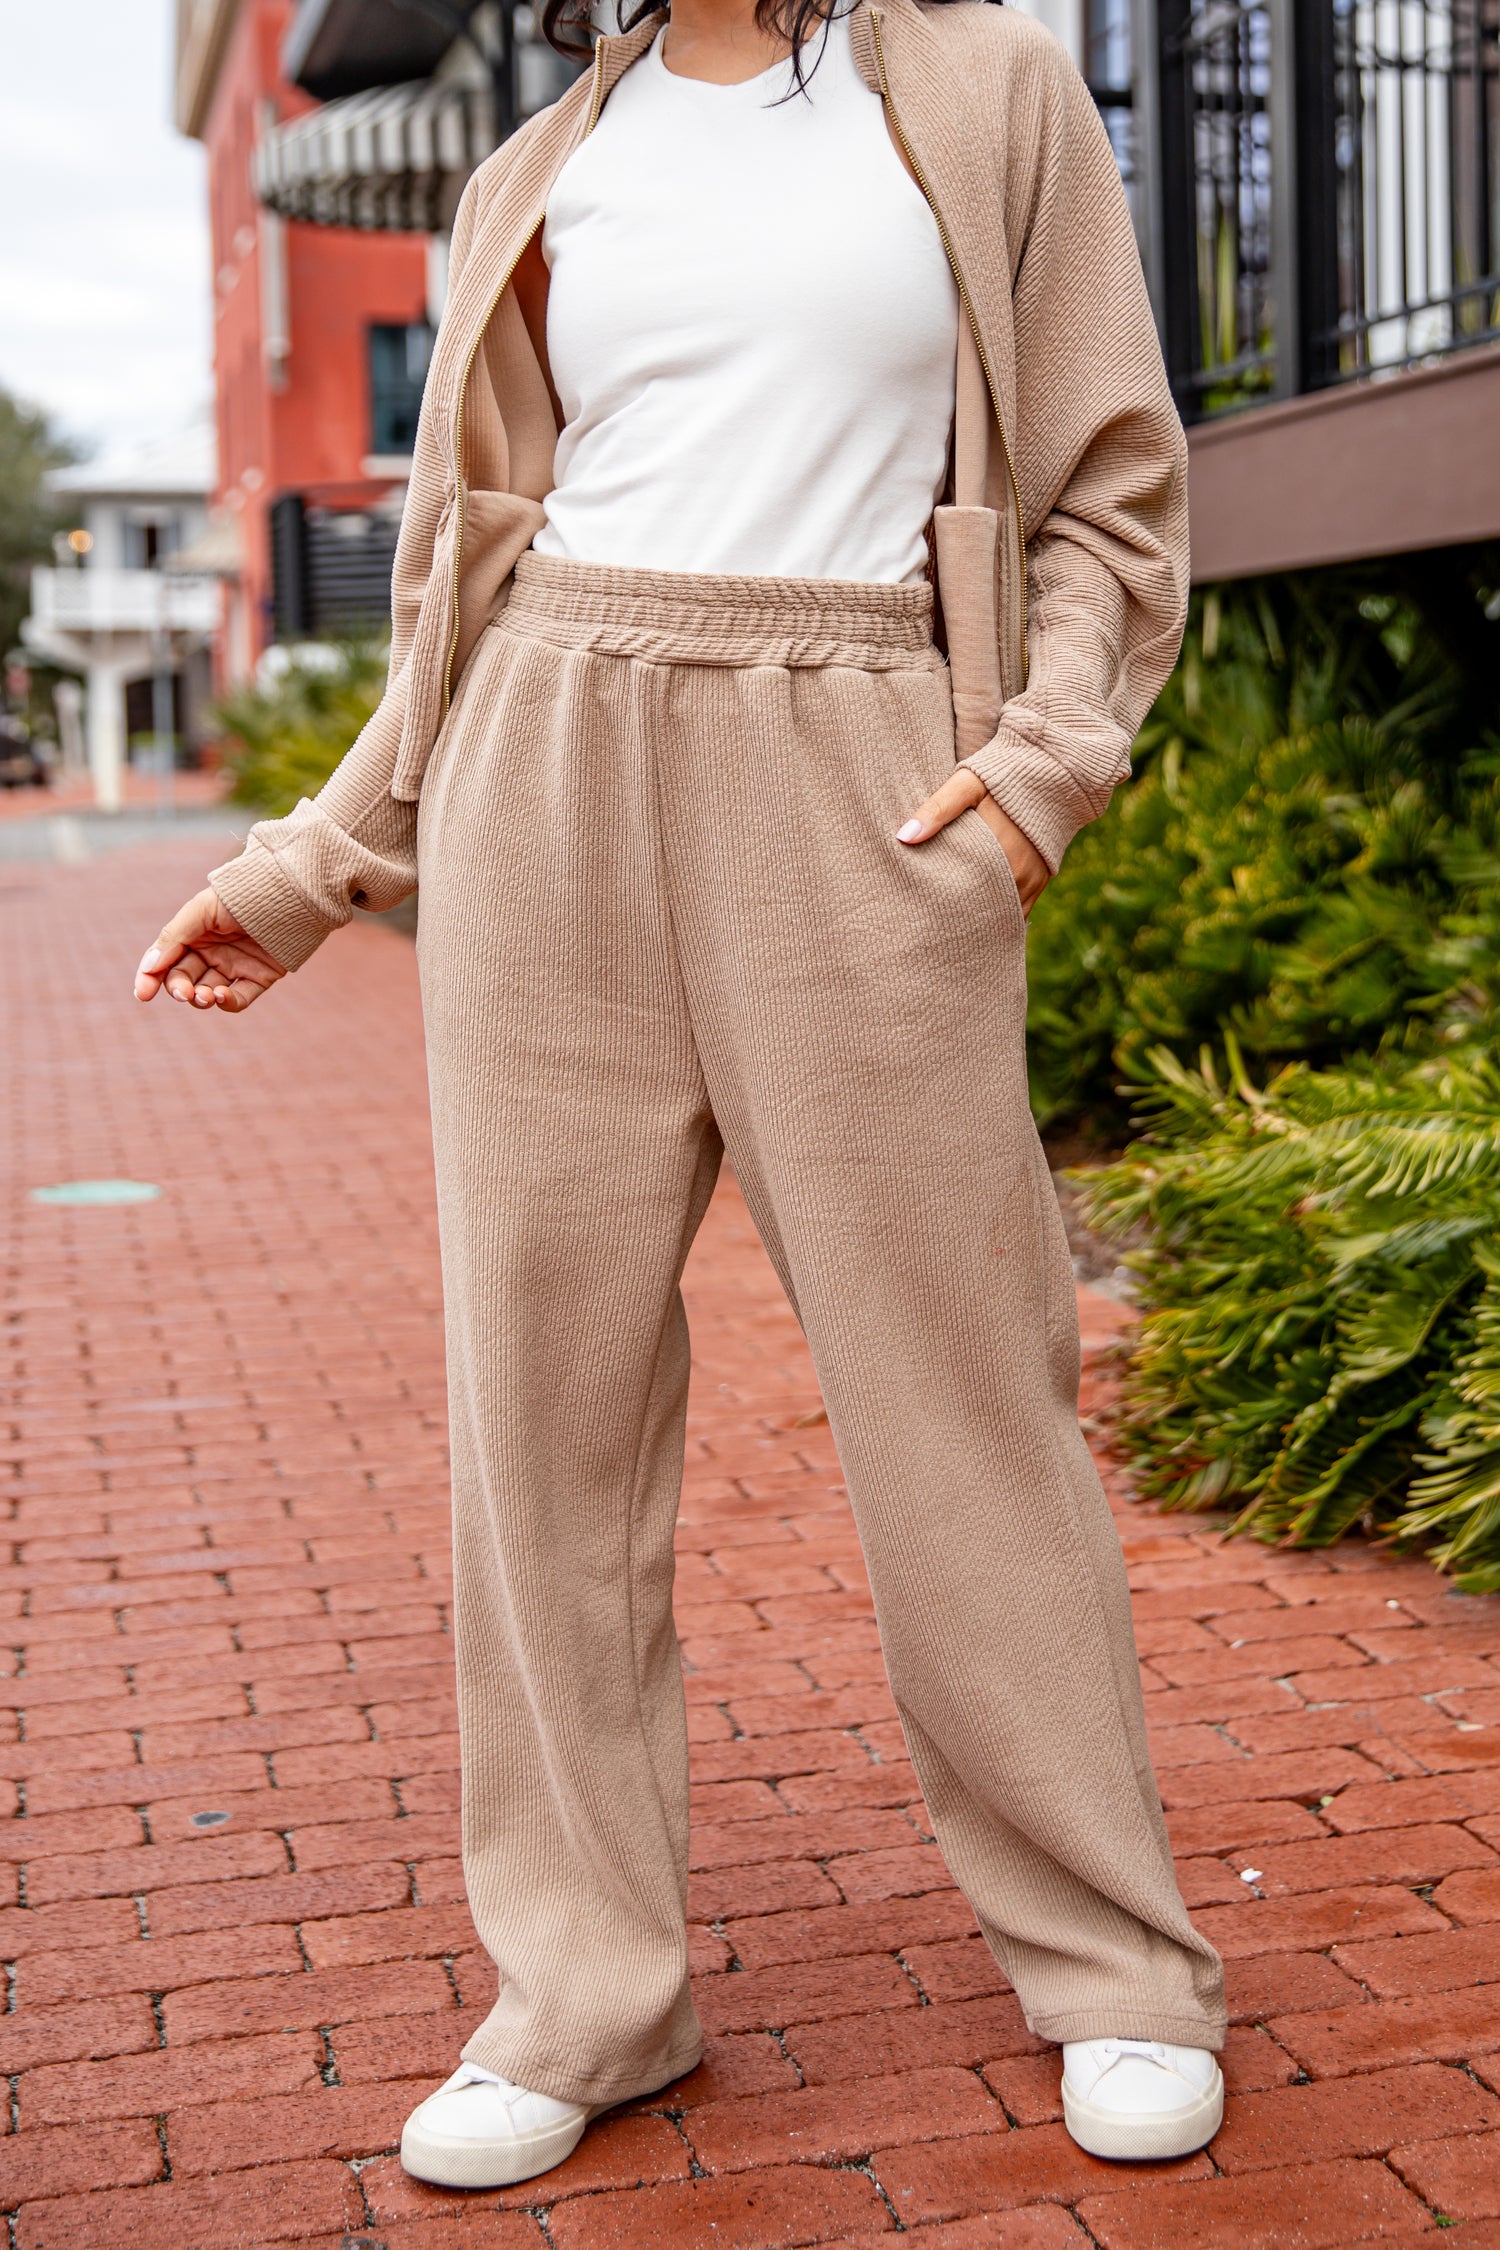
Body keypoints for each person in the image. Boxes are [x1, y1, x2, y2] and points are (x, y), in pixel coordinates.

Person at [135, 0, 1227, 2189]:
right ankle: (588, 1995)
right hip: (554, 768)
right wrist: (310, 868)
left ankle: (1114, 1966)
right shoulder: (537, 164)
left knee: (963, 1393)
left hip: (863, 771)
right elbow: (463, 578)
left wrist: (1037, 775)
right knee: (538, 1413)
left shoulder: (983, 84)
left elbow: (1112, 492)